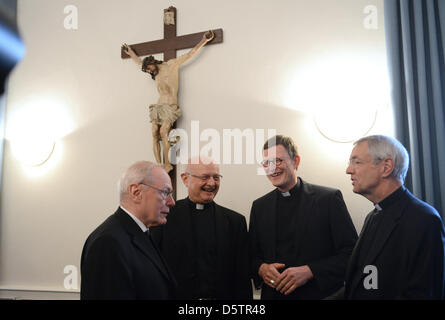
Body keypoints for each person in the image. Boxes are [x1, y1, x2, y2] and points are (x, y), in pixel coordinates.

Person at [249, 135, 358, 299]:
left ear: (296, 161)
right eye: (267, 163)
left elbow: (351, 254)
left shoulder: (328, 199)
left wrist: (311, 271)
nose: (272, 168)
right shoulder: (259, 206)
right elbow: (251, 256)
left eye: (278, 160)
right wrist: (261, 268)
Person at [337, 135, 445, 299]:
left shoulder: (424, 220)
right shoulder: (372, 216)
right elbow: (360, 284)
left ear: (386, 167)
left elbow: (423, 294)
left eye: (356, 162)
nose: (348, 170)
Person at [151, 156, 253, 299]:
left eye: (216, 178)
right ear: (186, 179)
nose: (211, 183)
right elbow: (152, 271)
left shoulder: (235, 222)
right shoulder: (164, 217)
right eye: (205, 177)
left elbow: (242, 279)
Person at [80, 161, 177, 299]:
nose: (172, 202)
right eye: (165, 192)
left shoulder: (141, 232)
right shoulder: (108, 243)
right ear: (136, 192)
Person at [122, 31, 214, 173]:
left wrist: (203, 41)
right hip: (158, 106)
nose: (149, 71)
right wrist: (131, 54)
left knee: (164, 131)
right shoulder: (154, 72)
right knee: (154, 132)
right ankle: (158, 165)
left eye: (149, 68)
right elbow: (140, 62)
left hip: (170, 105)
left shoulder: (172, 64)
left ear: (153, 62)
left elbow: (190, 54)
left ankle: (167, 164)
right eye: (147, 70)